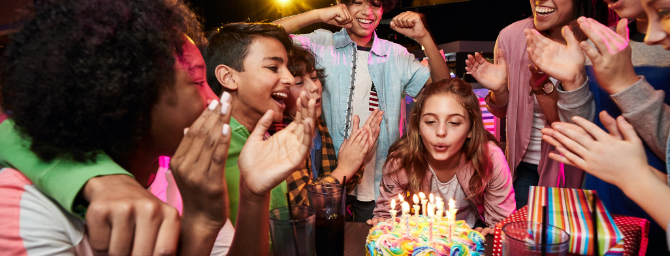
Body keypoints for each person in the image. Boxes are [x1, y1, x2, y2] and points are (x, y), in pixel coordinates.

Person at [0, 0, 319, 255]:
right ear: (127, 93)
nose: (213, 100)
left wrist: (249, 196)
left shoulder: (180, 174)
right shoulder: (22, 208)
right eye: (197, 81)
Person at [273, 0, 451, 222]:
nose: (368, 12)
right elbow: (266, 38)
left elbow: (444, 90)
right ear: (341, 3)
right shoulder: (321, 42)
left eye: (376, 4)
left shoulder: (396, 54)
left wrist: (424, 38)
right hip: (329, 179)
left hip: (380, 184)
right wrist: (319, 14)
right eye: (358, 2)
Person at [524, 1, 670, 251]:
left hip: (657, 208)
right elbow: (584, 135)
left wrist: (625, 85)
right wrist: (574, 81)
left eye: (664, 14)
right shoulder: (598, 41)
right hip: (599, 203)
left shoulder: (662, 46)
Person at [465, 0, 614, 210]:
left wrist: (551, 87)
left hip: (576, 170)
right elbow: (503, 110)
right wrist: (499, 91)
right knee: (521, 239)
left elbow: (582, 128)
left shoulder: (599, 43)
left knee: (568, 239)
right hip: (521, 169)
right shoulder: (512, 37)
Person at [366, 79, 515, 236]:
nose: (441, 132)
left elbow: (501, 227)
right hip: (420, 235)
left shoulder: (490, 158)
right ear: (418, 127)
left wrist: (491, 232)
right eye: (430, 122)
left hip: (471, 233)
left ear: (471, 129)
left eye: (454, 122)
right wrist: (383, 223)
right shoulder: (402, 160)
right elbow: (387, 217)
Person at [270, 44, 384, 205]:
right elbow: (301, 204)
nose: (314, 87)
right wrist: (344, 169)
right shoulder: (280, 134)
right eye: (299, 83)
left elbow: (336, 186)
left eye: (314, 77)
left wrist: (357, 156)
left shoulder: (318, 126)